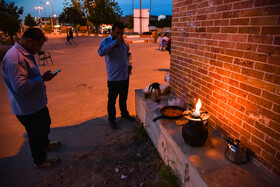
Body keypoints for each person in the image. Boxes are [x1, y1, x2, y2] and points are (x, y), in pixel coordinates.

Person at [2, 28, 61, 168]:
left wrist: (41, 79)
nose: (39, 48)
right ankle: (40, 160)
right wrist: (41, 79)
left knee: (45, 123)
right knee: (35, 134)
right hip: (27, 107)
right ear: (29, 41)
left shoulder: (26, 53)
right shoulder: (15, 59)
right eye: (38, 45)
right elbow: (20, 87)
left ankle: (45, 144)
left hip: (36, 104)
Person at [98, 22, 135, 129]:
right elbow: (100, 52)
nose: (119, 36)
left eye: (121, 33)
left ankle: (124, 114)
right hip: (113, 78)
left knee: (123, 98)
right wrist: (114, 43)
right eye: (117, 33)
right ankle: (112, 119)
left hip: (124, 76)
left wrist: (129, 64)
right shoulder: (106, 41)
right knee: (112, 100)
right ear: (112, 31)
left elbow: (128, 54)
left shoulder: (124, 43)